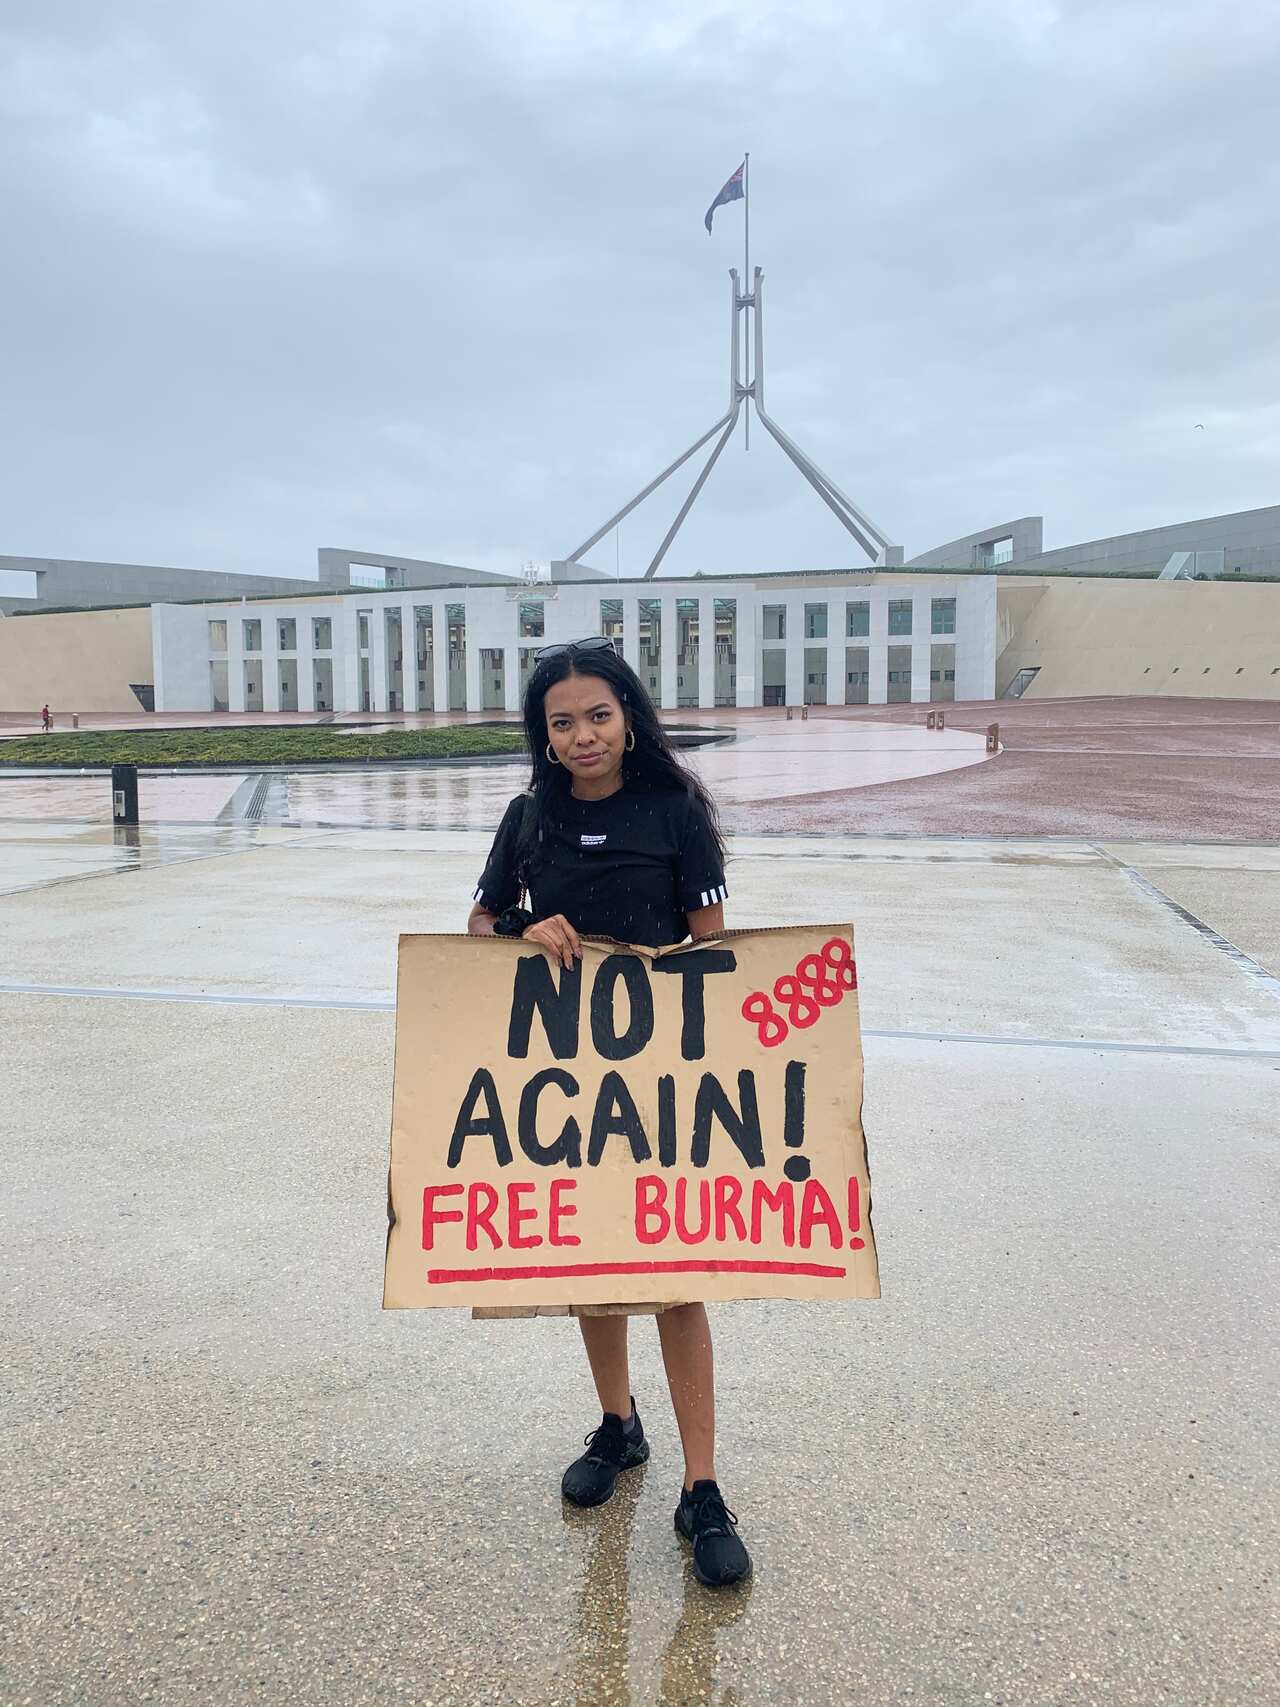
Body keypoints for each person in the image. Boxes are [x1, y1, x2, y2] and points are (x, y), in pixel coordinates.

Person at [467, 635, 751, 1588]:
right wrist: (521, 924)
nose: (582, 734)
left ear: (629, 716)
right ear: (543, 736)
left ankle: (702, 1486)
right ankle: (619, 1425)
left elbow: (711, 942)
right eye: (562, 721)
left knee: (676, 1276)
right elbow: (478, 924)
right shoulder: (528, 817)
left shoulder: (675, 811)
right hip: (563, 1077)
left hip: (660, 1081)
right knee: (592, 1262)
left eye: (598, 714)